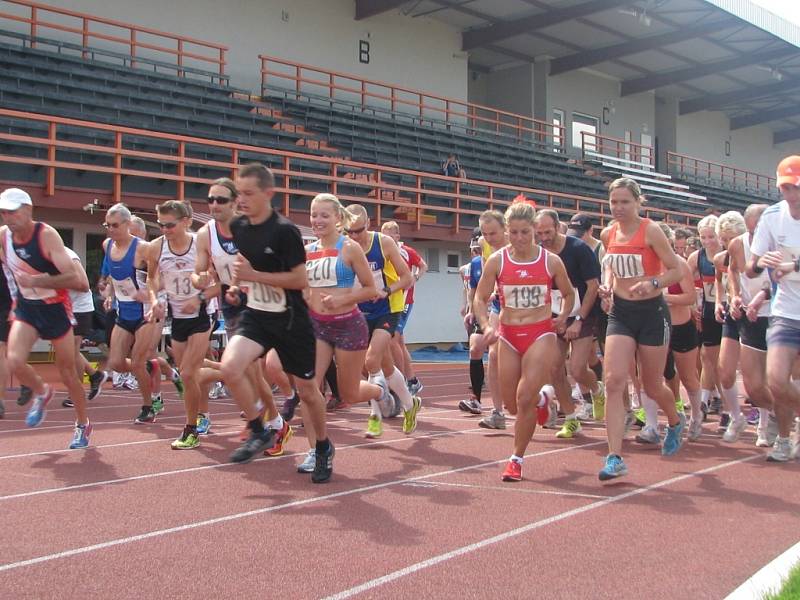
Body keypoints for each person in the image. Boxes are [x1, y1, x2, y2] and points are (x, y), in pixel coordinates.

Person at [220, 163, 334, 483]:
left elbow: (299, 279)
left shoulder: (285, 231)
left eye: (248, 193)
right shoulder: (239, 226)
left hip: (291, 320)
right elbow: (245, 263)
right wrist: (235, 287)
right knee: (230, 367)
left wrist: (254, 276)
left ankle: (323, 448)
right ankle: (260, 431)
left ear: (268, 194)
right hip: (257, 315)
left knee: (309, 392)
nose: (240, 200)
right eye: (238, 193)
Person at [474, 201, 574, 481]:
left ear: (534, 231)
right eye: (514, 233)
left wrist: (563, 317)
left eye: (525, 233)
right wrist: (485, 325)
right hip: (507, 334)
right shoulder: (498, 261)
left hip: (540, 333)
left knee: (523, 396)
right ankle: (544, 398)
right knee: (512, 405)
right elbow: (480, 298)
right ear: (508, 231)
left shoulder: (550, 261)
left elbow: (568, 293)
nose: (519, 239)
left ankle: (516, 459)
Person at [598, 178, 685, 481]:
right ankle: (614, 456)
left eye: (625, 202)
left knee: (651, 385)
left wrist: (653, 282)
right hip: (621, 313)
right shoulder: (608, 232)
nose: (619, 208)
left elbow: (676, 269)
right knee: (613, 381)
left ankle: (674, 421)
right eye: (614, 202)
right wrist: (607, 286)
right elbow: (609, 264)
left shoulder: (652, 230)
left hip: (652, 313)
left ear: (638, 203)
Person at [300, 193, 390, 471]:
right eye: (314, 215)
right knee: (308, 388)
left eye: (324, 215)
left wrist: (342, 299)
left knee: (349, 394)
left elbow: (370, 288)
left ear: (338, 219)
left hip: (348, 325)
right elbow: (303, 286)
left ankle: (378, 390)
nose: (317, 220)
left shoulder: (350, 248)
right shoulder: (308, 251)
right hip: (318, 326)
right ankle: (316, 450)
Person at [0, 187, 92, 448]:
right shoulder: (4, 238)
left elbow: (78, 281)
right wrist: (17, 296)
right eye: (3, 212)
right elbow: (9, 272)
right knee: (15, 361)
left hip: (55, 308)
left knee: (68, 373)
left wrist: (38, 279)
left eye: (12, 212)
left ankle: (82, 424)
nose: (7, 217)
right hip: (27, 308)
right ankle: (42, 391)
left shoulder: (46, 236)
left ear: (28, 210)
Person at [192, 177, 281, 443]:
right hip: (230, 304)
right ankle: (266, 417)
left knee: (250, 367)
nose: (214, 205)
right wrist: (199, 281)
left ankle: (270, 418)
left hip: (260, 300)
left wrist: (242, 284)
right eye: (210, 199)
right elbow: (201, 269)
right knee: (248, 370)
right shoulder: (205, 233)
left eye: (221, 200)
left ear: (235, 203)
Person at [344, 204, 418, 439]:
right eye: (349, 232)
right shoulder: (344, 247)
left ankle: (375, 416)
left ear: (368, 224)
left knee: (371, 359)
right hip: (359, 310)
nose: (354, 236)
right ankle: (409, 404)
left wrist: (387, 290)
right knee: (379, 366)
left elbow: (407, 277)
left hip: (387, 308)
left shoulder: (383, 243)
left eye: (358, 230)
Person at [145, 200, 213, 449]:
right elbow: (152, 278)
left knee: (186, 373)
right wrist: (155, 300)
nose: (165, 229)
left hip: (203, 313)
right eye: (161, 225)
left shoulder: (200, 245)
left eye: (170, 225)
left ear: (186, 221)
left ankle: (191, 428)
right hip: (177, 316)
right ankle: (230, 373)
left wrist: (201, 294)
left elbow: (219, 278)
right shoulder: (155, 247)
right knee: (191, 374)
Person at [746, 155, 800, 462]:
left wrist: (794, 264)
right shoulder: (772, 216)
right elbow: (751, 268)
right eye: (785, 188)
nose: (790, 194)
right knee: (777, 381)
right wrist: (760, 262)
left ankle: (786, 435)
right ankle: (783, 436)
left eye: (795, 187)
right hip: (786, 311)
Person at [535, 209, 603, 438]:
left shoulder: (578, 249)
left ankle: (596, 389)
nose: (543, 237)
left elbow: (593, 286)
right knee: (554, 368)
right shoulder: (540, 253)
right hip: (557, 315)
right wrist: (557, 318)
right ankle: (571, 418)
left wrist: (578, 320)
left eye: (547, 232)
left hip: (583, 312)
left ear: (558, 227)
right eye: (539, 233)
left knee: (576, 369)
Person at [636, 223, 702, 444]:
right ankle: (651, 426)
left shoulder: (678, 264)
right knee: (648, 376)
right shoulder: (643, 265)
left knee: (688, 377)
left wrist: (665, 298)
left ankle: (696, 417)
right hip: (653, 326)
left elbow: (690, 298)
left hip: (680, 327)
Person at [102, 203, 163, 424]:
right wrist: (110, 293)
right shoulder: (107, 245)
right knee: (116, 363)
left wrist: (148, 292)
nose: (110, 229)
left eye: (115, 225)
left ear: (127, 224)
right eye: (107, 225)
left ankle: (148, 406)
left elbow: (159, 277)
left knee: (136, 363)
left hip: (145, 313)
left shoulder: (144, 248)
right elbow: (112, 273)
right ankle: (150, 368)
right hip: (124, 312)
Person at [727, 204, 775, 447]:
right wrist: (735, 295)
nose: (756, 237)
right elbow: (733, 270)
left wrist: (761, 298)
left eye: (760, 231)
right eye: (752, 232)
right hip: (750, 317)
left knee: (777, 378)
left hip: (778, 315)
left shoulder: (782, 243)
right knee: (753, 386)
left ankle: (768, 427)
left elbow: (782, 281)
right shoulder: (738, 244)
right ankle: (782, 416)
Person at [380, 220, 428, 394]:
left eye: (389, 235)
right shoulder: (383, 252)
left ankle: (401, 382)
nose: (385, 238)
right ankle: (412, 380)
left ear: (397, 236)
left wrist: (415, 277)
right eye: (383, 235)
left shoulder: (406, 252)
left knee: (395, 338)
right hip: (389, 301)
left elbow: (423, 265)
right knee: (398, 341)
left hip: (405, 301)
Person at [713, 211, 747, 441]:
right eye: (723, 239)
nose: (727, 243)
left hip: (757, 314)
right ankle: (736, 416)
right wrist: (718, 301)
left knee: (757, 378)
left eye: (730, 238)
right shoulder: (720, 259)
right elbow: (719, 280)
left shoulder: (753, 253)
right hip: (732, 314)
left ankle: (767, 423)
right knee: (725, 371)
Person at [62, 246, 108, 407]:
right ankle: (95, 375)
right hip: (63, 307)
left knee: (71, 351)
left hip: (80, 307)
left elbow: (83, 284)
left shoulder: (68, 255)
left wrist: (55, 282)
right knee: (65, 351)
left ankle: (76, 393)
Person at [688, 215, 723, 417]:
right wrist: (694, 305)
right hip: (709, 311)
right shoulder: (697, 257)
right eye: (703, 237)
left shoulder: (729, 253)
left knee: (720, 360)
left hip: (728, 310)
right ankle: (706, 400)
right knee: (707, 358)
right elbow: (683, 279)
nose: (708, 241)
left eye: (712, 236)